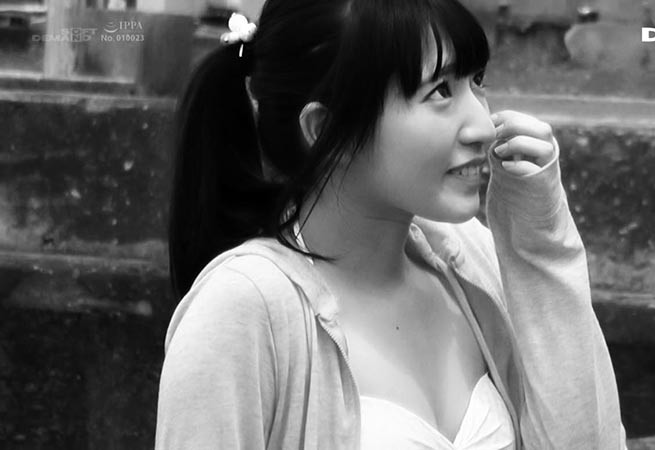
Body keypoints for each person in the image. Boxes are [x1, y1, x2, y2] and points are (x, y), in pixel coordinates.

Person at [156, 0, 627, 448]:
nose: (483, 126)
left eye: (477, 81)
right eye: (440, 91)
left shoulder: (470, 260)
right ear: (324, 130)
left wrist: (539, 245)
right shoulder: (242, 308)